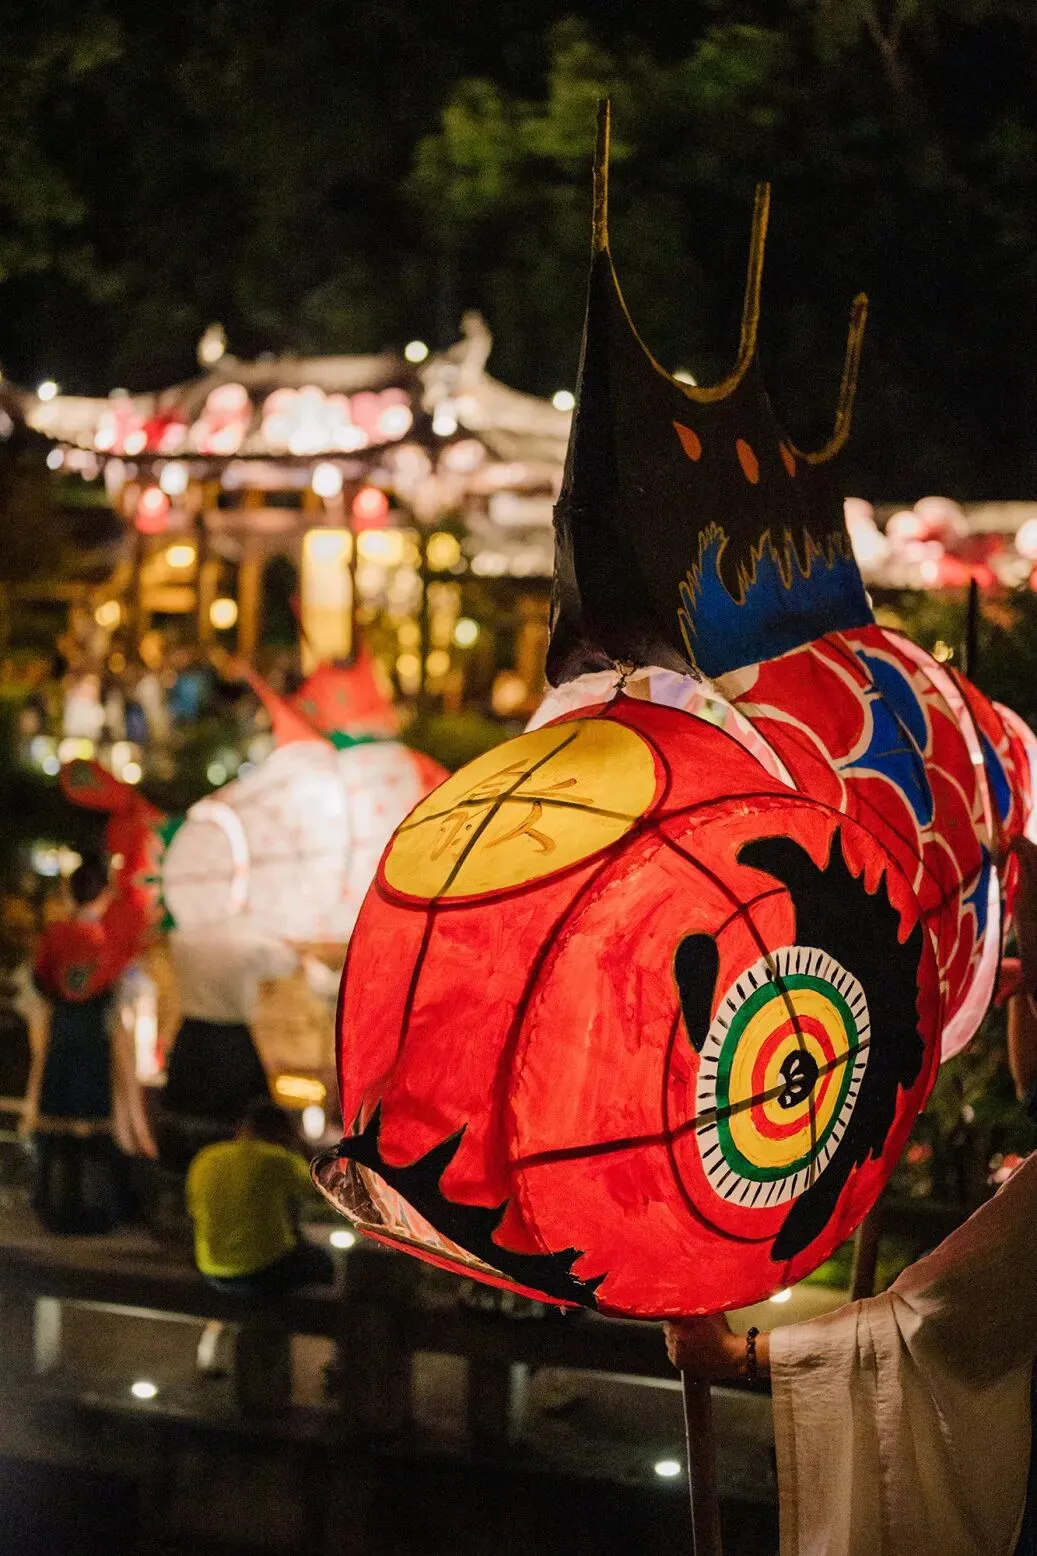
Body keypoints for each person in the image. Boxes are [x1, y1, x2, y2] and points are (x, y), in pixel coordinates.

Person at [31, 857, 156, 1233]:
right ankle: (97, 1207)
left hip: (63, 1030)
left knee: (59, 1117)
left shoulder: (55, 935)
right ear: (103, 896)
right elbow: (126, 987)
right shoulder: (111, 942)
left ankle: (53, 1204)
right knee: (97, 1121)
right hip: (97, 1034)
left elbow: (40, 979)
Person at [159, 925, 338, 1169]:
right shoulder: (247, 940)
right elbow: (289, 962)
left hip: (191, 1040)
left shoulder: (183, 938)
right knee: (240, 1124)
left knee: (186, 1125)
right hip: (233, 1044)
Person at [185, 1099, 334, 1296]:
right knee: (325, 1262)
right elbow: (324, 1193)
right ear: (283, 1133)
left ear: (243, 1128)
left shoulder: (206, 1157)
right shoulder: (276, 1158)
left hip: (211, 1270)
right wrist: (301, 1148)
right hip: (264, 1270)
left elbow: (193, 1210)